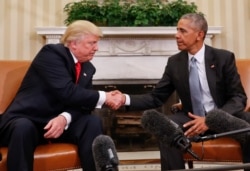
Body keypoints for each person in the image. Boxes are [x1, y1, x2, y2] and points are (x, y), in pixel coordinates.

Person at [109, 13, 250, 170]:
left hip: (223, 116)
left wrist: (210, 119)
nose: (177, 35)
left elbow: (238, 97)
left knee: (247, 123)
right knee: (166, 128)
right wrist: (124, 99)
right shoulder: (175, 62)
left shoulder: (223, 58)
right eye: (177, 30)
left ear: (199, 35)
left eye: (183, 31)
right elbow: (156, 97)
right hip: (190, 118)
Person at [0, 20, 123, 171]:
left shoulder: (88, 68)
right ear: (73, 44)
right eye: (91, 43)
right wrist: (105, 97)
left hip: (55, 125)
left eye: (96, 43)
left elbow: (83, 105)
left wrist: (64, 118)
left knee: (92, 122)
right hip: (27, 119)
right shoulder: (51, 54)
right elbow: (67, 91)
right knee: (23, 127)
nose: (96, 48)